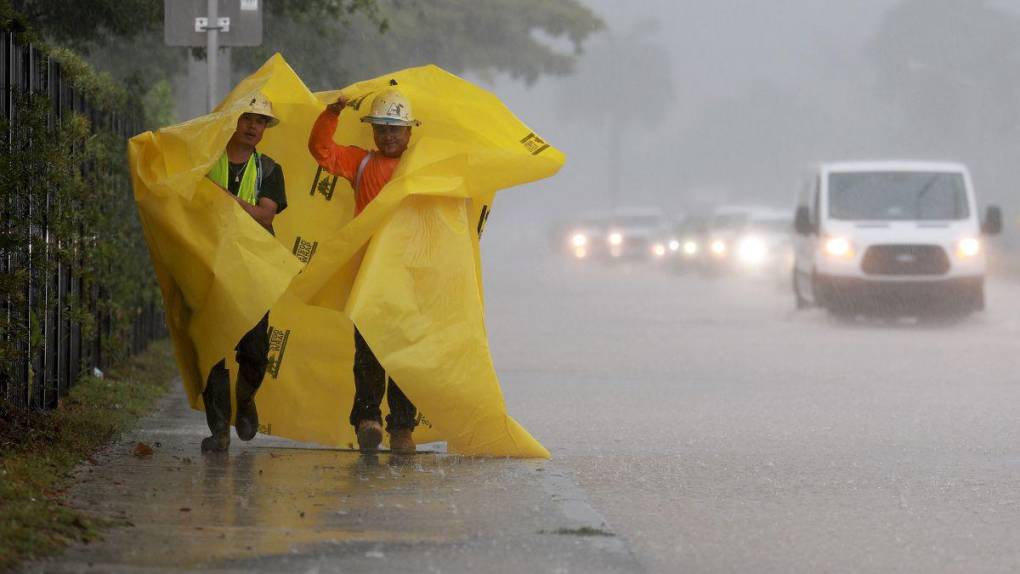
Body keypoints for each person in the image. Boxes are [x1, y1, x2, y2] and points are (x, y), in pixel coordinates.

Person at [307, 84, 421, 454]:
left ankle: (402, 429)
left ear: (409, 132)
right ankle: (367, 420)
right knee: (369, 350)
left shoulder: (422, 166)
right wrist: (332, 112)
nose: (388, 136)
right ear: (373, 131)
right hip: (368, 276)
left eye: (395, 129)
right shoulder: (362, 163)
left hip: (409, 276)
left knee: (404, 353)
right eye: (382, 129)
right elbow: (321, 151)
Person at [201, 93, 288, 453]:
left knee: (255, 347)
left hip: (253, 267)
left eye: (261, 121)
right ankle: (219, 429)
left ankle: (247, 396)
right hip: (211, 264)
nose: (254, 126)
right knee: (212, 349)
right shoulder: (205, 161)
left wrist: (223, 198)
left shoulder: (269, 169)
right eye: (248, 118)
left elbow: (265, 214)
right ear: (234, 121)